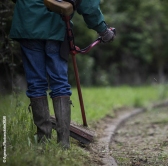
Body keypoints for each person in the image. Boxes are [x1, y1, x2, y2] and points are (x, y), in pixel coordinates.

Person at [9, 0, 115, 149]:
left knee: (36, 84)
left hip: (28, 22)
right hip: (55, 24)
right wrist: (104, 31)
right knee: (59, 83)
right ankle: (63, 143)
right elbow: (88, 6)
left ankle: (42, 141)